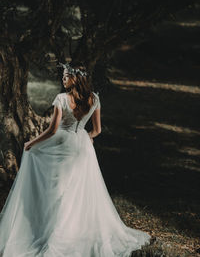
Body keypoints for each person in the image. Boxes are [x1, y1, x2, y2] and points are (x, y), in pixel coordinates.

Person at [0, 62, 151, 257]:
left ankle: (49, 228)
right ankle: (73, 228)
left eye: (65, 76)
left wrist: (32, 143)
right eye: (62, 76)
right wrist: (86, 138)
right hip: (81, 145)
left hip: (61, 143)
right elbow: (97, 130)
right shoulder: (94, 99)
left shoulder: (62, 99)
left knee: (54, 184)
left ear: (75, 78)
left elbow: (53, 129)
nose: (63, 79)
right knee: (77, 189)